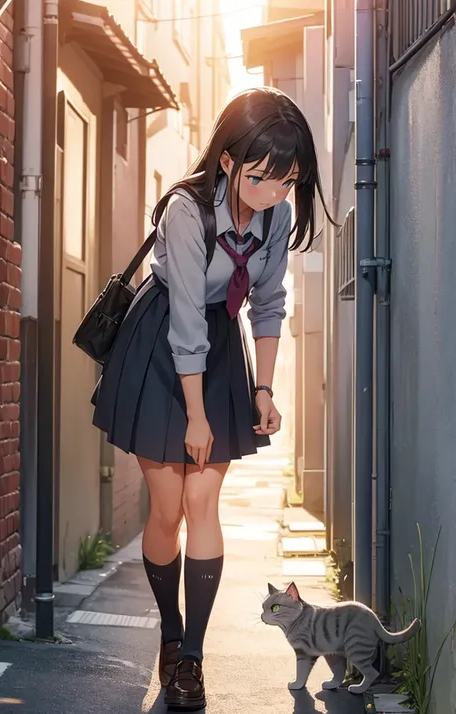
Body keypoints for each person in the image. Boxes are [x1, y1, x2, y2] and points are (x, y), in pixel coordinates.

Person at [91, 86, 333, 710]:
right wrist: (196, 417)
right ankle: (168, 635)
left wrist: (263, 388)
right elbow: (185, 324)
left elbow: (271, 301)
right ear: (227, 161)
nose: (274, 193)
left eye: (288, 181)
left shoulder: (277, 212)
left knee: (204, 500)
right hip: (161, 345)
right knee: (166, 510)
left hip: (219, 352)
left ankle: (191, 658)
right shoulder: (185, 209)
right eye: (260, 178)